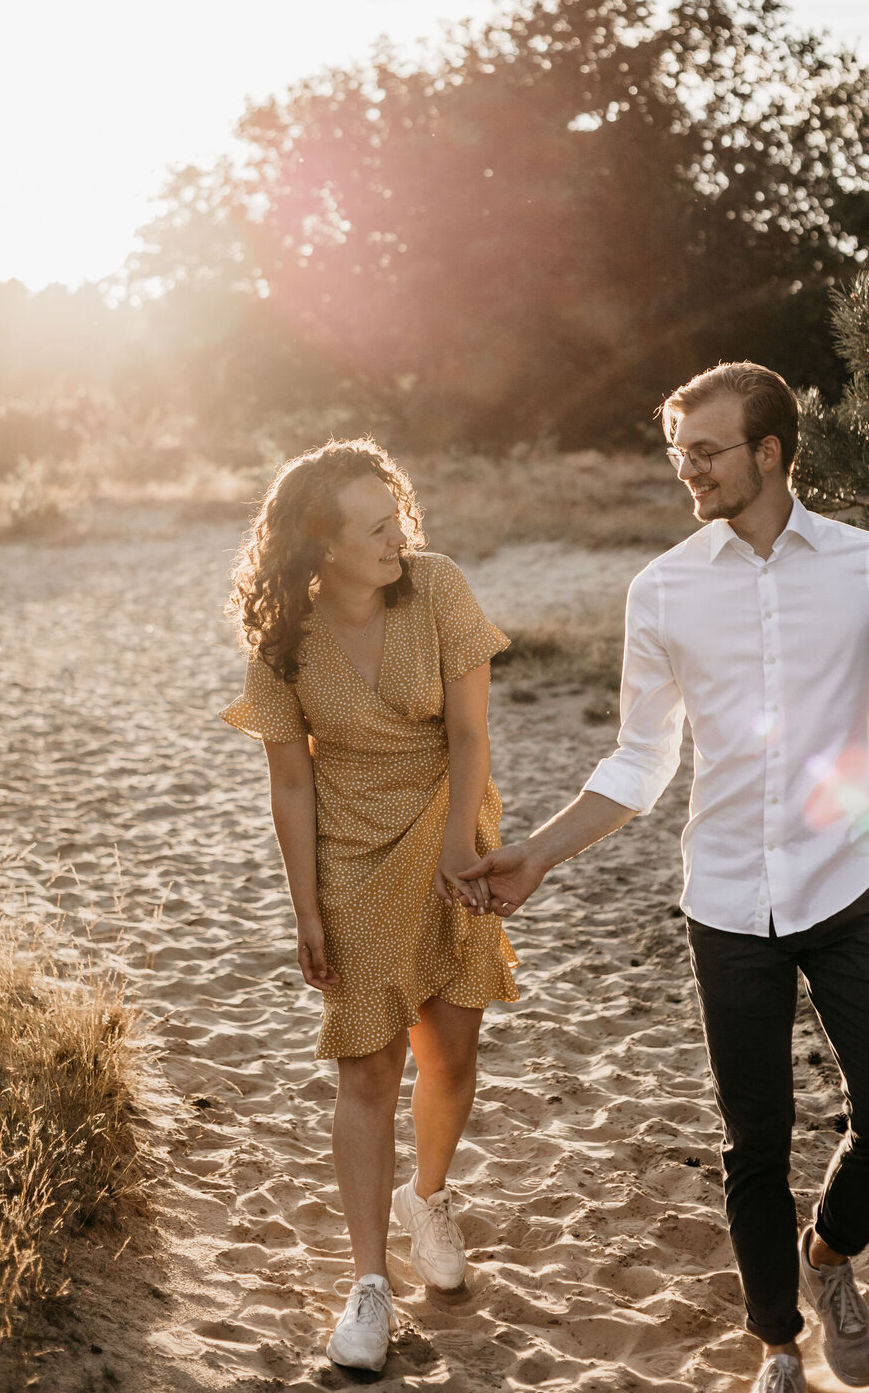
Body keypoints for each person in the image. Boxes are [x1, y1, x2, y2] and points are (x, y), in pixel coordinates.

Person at [461, 362, 869, 1393]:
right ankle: (778, 1345)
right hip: (727, 901)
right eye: (676, 450)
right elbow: (641, 762)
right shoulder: (665, 589)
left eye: (705, 450)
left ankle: (829, 1263)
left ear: (770, 452)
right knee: (756, 1140)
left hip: (853, 883)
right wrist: (541, 854)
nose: (684, 469)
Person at [220, 437, 517, 1373]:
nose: (399, 535)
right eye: (376, 527)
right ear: (322, 546)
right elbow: (293, 787)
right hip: (348, 847)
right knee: (367, 1065)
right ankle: (368, 1283)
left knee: (453, 1053)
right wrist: (306, 907)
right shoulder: (285, 642)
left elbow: (470, 735)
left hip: (449, 815)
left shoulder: (437, 589)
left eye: (396, 517)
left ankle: (426, 1197)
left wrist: (460, 844)